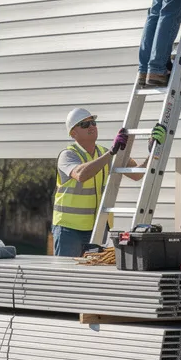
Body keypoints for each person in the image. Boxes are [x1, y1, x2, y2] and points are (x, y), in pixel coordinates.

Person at [52, 107, 145, 257]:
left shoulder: (104, 152)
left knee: (92, 275)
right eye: (85, 124)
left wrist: (155, 151)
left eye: (93, 122)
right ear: (73, 133)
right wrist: (112, 153)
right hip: (69, 229)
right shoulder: (68, 155)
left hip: (97, 228)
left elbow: (137, 174)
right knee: (68, 276)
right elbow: (81, 174)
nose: (91, 126)